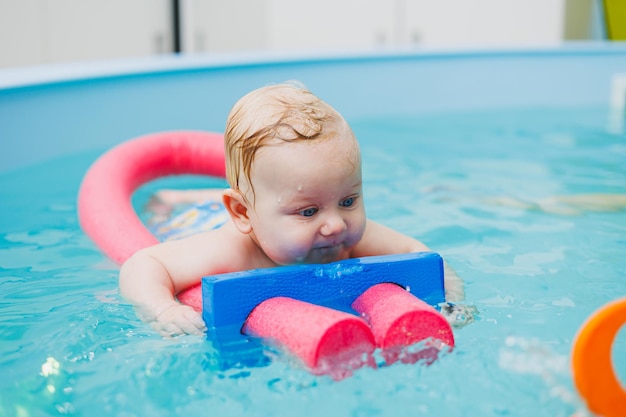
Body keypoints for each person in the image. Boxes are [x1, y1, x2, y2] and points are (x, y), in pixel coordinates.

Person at [119, 82, 467, 338]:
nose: (334, 225)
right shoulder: (231, 249)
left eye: (348, 201)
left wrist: (450, 302)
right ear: (242, 213)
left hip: (261, 209)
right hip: (193, 223)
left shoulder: (348, 237)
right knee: (178, 209)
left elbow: (423, 256)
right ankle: (180, 200)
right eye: (308, 211)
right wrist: (164, 310)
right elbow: (144, 264)